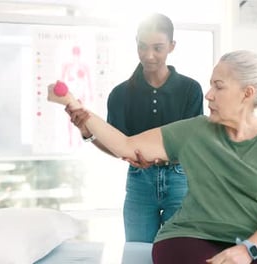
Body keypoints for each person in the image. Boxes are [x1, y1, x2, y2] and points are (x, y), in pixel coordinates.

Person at [50, 49, 257, 264]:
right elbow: (125, 146)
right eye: (210, 85)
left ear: (247, 93)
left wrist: (247, 249)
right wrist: (74, 105)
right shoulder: (194, 130)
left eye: (218, 86)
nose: (208, 94)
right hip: (195, 233)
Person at [67, 13, 203, 243]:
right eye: (143, 46)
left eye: (158, 48)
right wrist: (86, 132)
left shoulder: (191, 89)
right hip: (140, 181)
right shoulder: (121, 94)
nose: (149, 55)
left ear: (172, 46)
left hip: (180, 179)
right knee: (136, 253)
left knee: (176, 252)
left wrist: (157, 156)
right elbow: (116, 144)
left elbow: (191, 142)